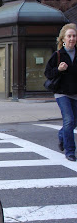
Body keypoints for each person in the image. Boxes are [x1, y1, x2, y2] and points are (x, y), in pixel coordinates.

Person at [44, 23, 77, 161]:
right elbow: (48, 73)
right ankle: (70, 151)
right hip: (62, 93)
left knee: (74, 122)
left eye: (74, 36)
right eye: (69, 36)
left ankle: (62, 135)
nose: (72, 38)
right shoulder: (58, 55)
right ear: (63, 39)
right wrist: (58, 69)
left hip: (75, 93)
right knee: (69, 120)